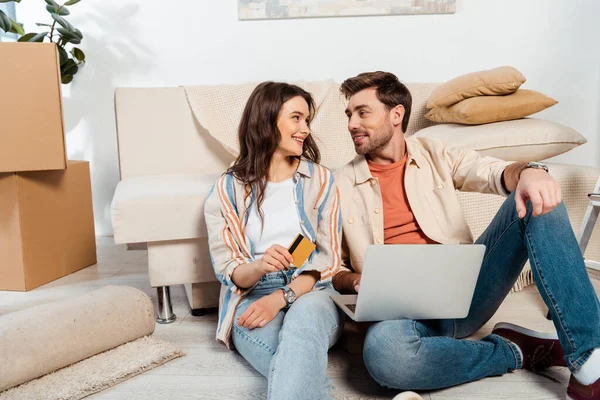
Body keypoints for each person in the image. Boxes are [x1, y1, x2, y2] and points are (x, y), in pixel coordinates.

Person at [332, 71, 600, 399]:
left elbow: (491, 171)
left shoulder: (435, 152)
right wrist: (359, 279)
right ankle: (514, 350)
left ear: (396, 114)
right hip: (399, 313)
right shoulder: (337, 184)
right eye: (349, 115)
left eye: (362, 112)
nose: (351, 124)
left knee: (538, 195)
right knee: (389, 358)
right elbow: (332, 269)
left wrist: (530, 172)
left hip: (467, 294)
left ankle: (590, 359)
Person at [204, 81, 344, 400]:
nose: (305, 129)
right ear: (266, 119)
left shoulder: (319, 181)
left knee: (303, 325)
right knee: (296, 367)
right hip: (251, 294)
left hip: (310, 289)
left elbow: (326, 256)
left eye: (307, 120)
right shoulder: (227, 191)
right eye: (296, 118)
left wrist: (283, 295)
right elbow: (229, 270)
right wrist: (258, 266)